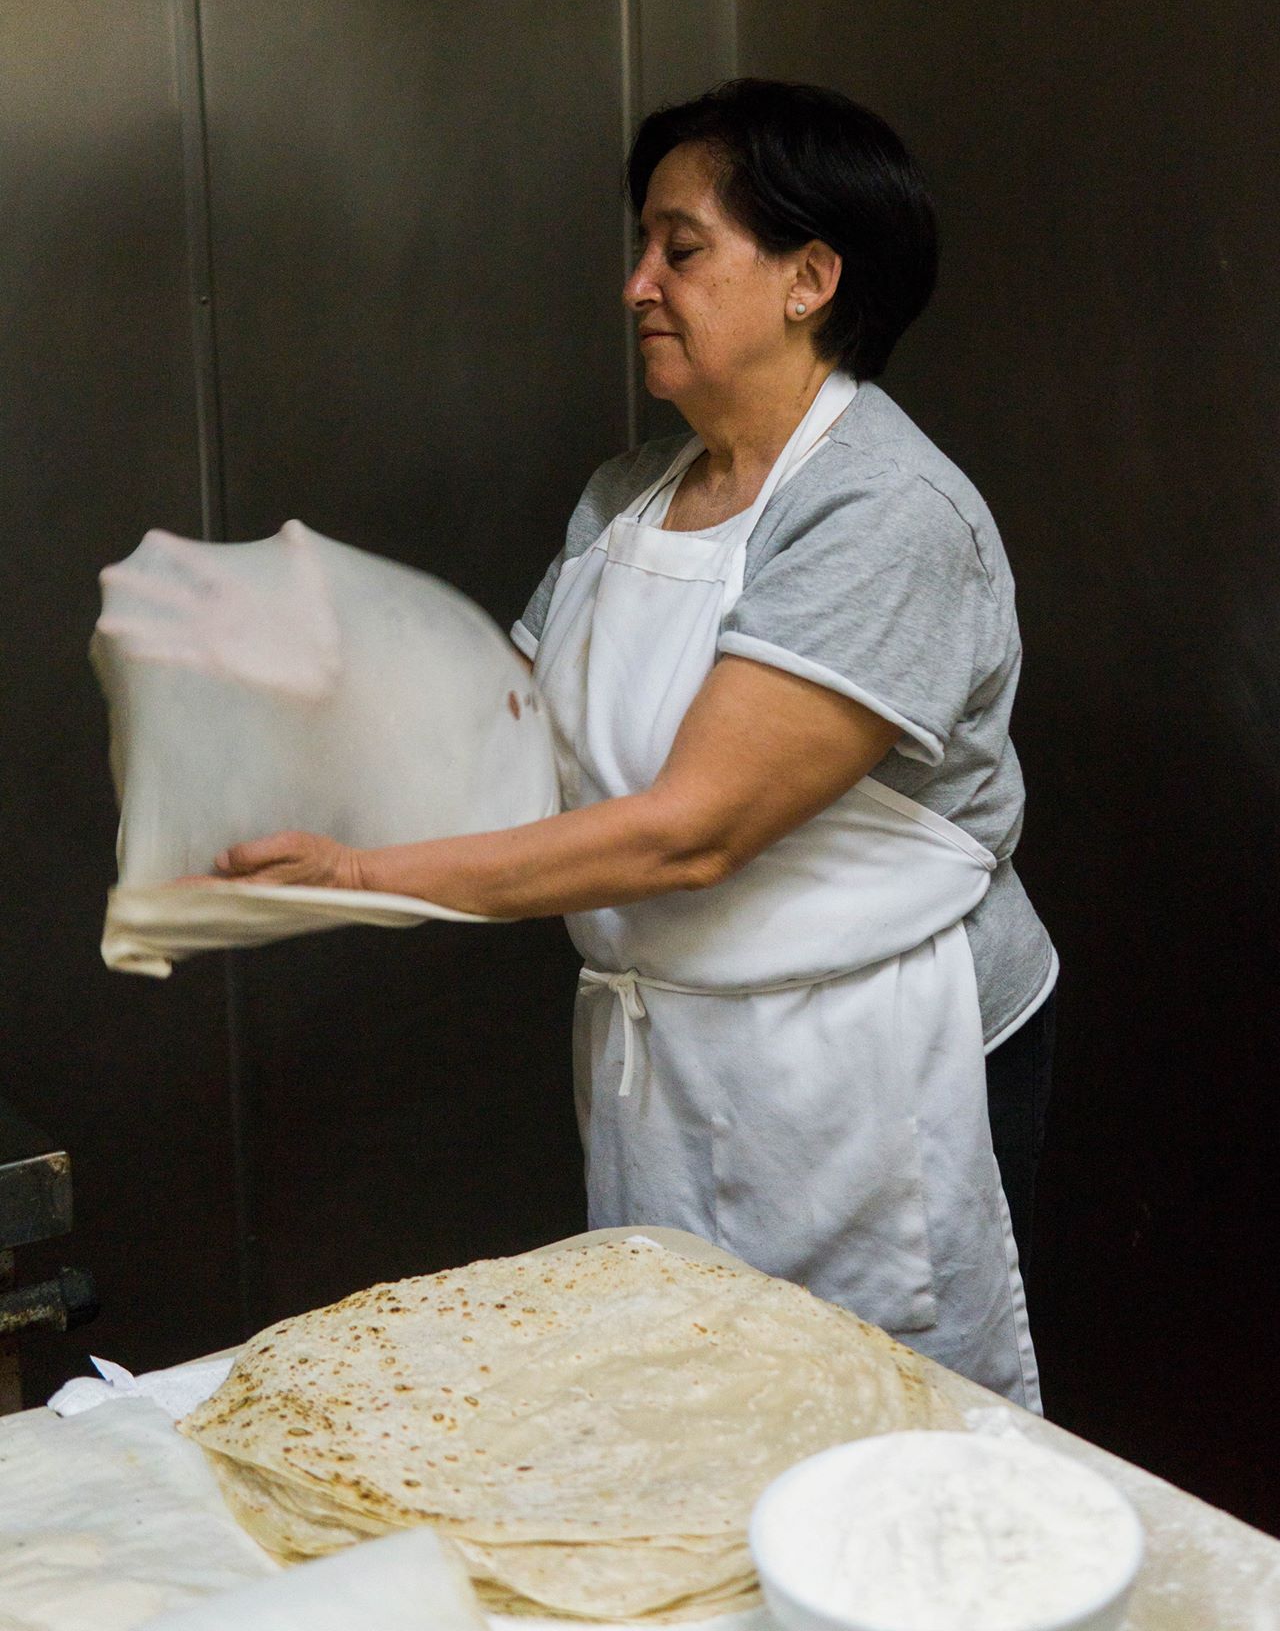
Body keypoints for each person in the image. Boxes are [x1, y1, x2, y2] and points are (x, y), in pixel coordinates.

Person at [215, 79, 1057, 1408]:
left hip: (866, 1069)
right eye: (643, 248)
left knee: (874, 1436)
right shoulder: (633, 492)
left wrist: (369, 880)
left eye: (681, 247)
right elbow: (512, 731)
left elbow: (693, 829)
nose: (638, 285)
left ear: (809, 278)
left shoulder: (882, 512)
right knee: (678, 1408)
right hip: (669, 1055)